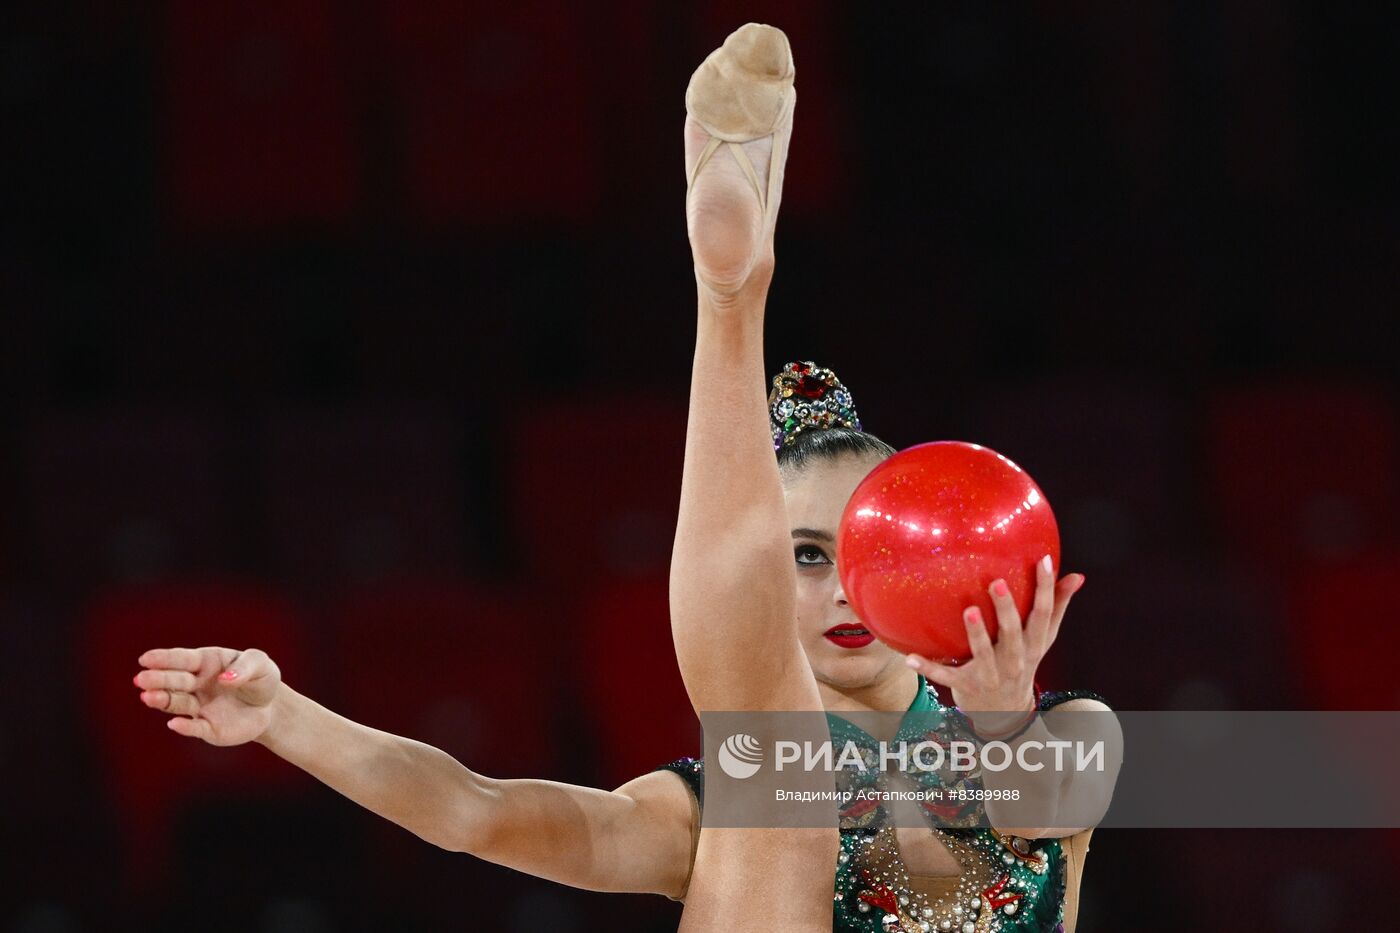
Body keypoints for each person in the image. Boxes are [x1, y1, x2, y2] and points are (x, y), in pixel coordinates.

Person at [132, 22, 1118, 932]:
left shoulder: (1067, 732)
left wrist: (997, 718)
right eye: (800, 559)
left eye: (863, 551)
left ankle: (728, 303)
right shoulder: (705, 811)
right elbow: (476, 812)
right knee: (767, 787)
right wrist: (281, 717)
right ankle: (728, 299)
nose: (836, 590)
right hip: (758, 813)